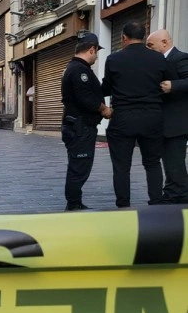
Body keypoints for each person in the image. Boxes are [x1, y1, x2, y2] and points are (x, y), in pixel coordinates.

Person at [101, 22, 170, 208]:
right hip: (152, 117)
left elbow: (106, 88)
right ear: (143, 36)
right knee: (153, 162)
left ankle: (123, 205)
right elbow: (167, 85)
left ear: (123, 37)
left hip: (123, 118)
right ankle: (156, 202)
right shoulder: (159, 59)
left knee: (121, 166)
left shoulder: (114, 59)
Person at [60, 32, 112, 211]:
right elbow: (85, 98)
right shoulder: (79, 70)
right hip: (80, 127)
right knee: (79, 167)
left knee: (79, 166)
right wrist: (104, 109)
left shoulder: (74, 68)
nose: (97, 57)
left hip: (78, 126)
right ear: (92, 49)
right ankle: (73, 205)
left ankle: (75, 202)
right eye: (96, 52)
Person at [147, 29, 188, 204]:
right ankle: (172, 191)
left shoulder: (180, 58)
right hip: (165, 122)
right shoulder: (159, 61)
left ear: (164, 42)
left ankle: (179, 193)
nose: (148, 49)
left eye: (151, 45)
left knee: (174, 160)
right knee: (169, 160)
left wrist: (174, 85)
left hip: (177, 122)